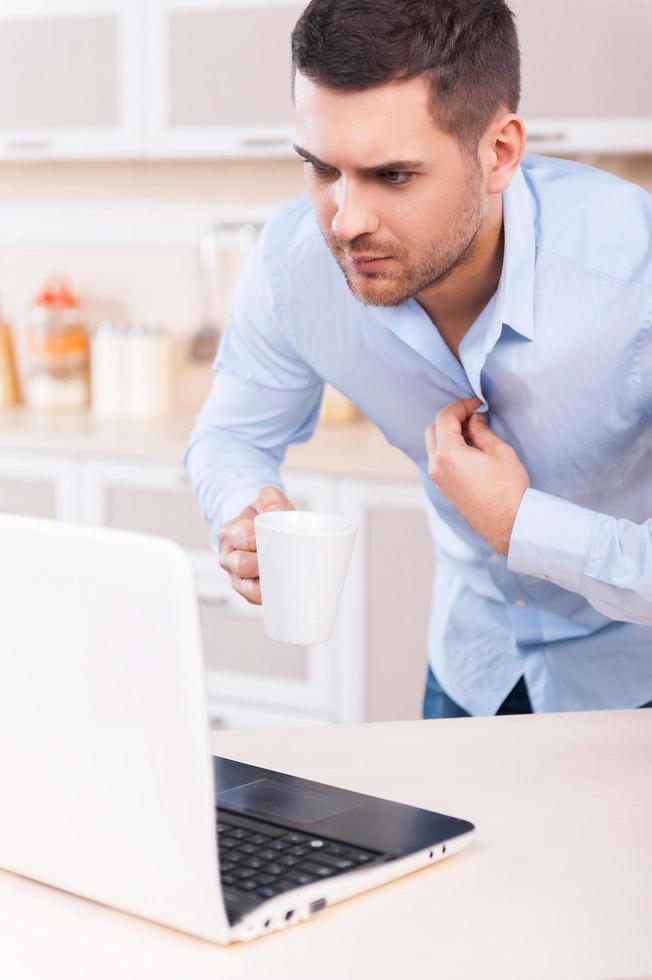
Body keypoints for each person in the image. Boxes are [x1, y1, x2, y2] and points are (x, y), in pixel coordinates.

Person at [185, 0, 652, 718]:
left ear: (498, 153)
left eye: (393, 176)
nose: (345, 222)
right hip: (473, 666)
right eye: (320, 169)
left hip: (633, 677)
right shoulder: (295, 268)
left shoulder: (633, 276)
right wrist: (247, 507)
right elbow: (230, 436)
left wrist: (521, 524)